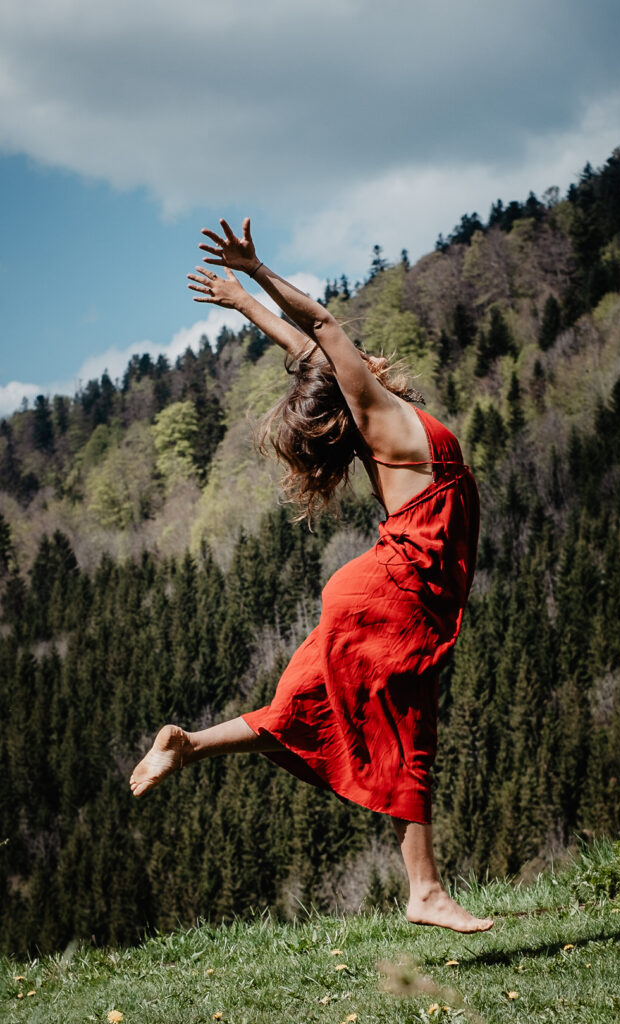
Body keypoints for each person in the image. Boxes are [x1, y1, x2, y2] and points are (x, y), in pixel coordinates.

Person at [130, 218, 493, 933]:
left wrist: (242, 305)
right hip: (395, 594)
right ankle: (423, 890)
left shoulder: (366, 419)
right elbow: (322, 326)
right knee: (404, 731)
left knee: (302, 710)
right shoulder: (379, 413)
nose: (349, 361)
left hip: (371, 588)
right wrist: (260, 274)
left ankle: (188, 742)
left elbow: (307, 349)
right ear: (350, 381)